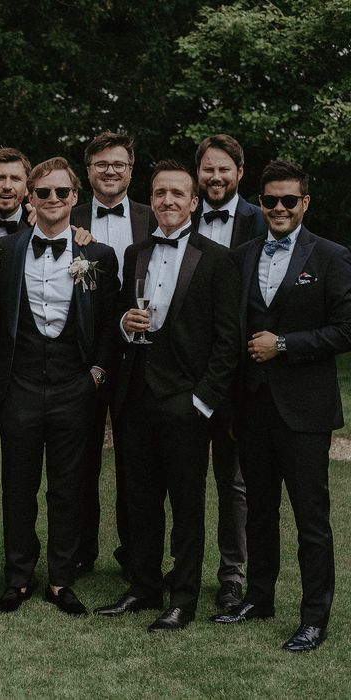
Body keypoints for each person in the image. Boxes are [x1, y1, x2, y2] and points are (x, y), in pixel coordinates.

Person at [211, 160, 351, 652]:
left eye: (288, 200)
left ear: (304, 203)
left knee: (311, 519)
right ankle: (259, 597)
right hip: (252, 408)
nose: (278, 209)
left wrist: (284, 344)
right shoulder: (243, 255)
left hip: (304, 410)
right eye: (269, 200)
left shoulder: (331, 256)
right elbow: (229, 336)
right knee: (259, 512)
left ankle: (314, 617)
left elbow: (346, 328)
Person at [94, 160, 239, 632]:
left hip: (185, 400)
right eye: (159, 194)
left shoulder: (217, 259)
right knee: (139, 498)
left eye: (178, 194)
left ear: (193, 202)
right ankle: (141, 585)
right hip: (136, 396)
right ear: (150, 199)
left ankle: (183, 597)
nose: (168, 201)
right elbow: (118, 313)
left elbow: (227, 340)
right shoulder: (136, 251)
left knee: (186, 503)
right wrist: (122, 323)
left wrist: (202, 401)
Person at [0, 157, 119, 616]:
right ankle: (18, 577)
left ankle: (62, 580)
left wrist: (97, 373)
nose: (52, 200)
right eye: (42, 193)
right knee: (18, 484)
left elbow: (108, 324)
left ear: (74, 198)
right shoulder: (4, 251)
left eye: (60, 193)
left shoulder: (98, 256)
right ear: (30, 197)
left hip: (74, 386)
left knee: (68, 486)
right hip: (20, 384)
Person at [69, 131, 154, 578]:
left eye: (118, 163)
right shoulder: (68, 214)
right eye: (101, 164)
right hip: (84, 356)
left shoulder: (154, 214)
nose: (110, 171)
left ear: (131, 169)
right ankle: (80, 551)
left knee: (134, 461)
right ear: (88, 172)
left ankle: (134, 552)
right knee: (79, 460)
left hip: (140, 358)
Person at [190, 134, 266, 611]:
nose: (215, 177)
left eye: (224, 169)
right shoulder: (180, 215)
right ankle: (181, 569)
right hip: (189, 375)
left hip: (240, 378)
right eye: (208, 169)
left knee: (234, 484)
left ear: (240, 172)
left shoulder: (263, 220)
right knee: (184, 478)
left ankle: (233, 574)